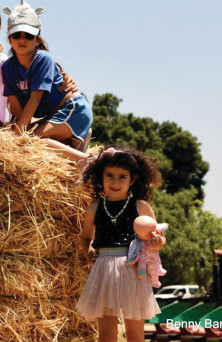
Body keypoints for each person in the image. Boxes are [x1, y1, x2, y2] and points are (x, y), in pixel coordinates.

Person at [76, 146, 165, 342]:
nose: (115, 182)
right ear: (100, 177)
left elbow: (157, 236)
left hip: (133, 270)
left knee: (135, 335)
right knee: (106, 335)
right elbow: (85, 237)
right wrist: (88, 251)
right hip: (104, 269)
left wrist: (158, 243)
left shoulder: (141, 206)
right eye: (109, 175)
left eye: (122, 177)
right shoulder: (94, 208)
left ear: (132, 179)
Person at [1, 0, 92, 152]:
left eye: (28, 35)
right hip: (50, 117)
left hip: (72, 109)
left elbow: (35, 99)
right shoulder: (7, 67)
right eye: (16, 35)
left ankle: (84, 160)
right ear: (9, 39)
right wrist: (17, 131)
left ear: (37, 39)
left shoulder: (43, 59)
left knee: (32, 141)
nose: (22, 39)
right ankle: (74, 141)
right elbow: (15, 108)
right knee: (24, 138)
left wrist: (18, 137)